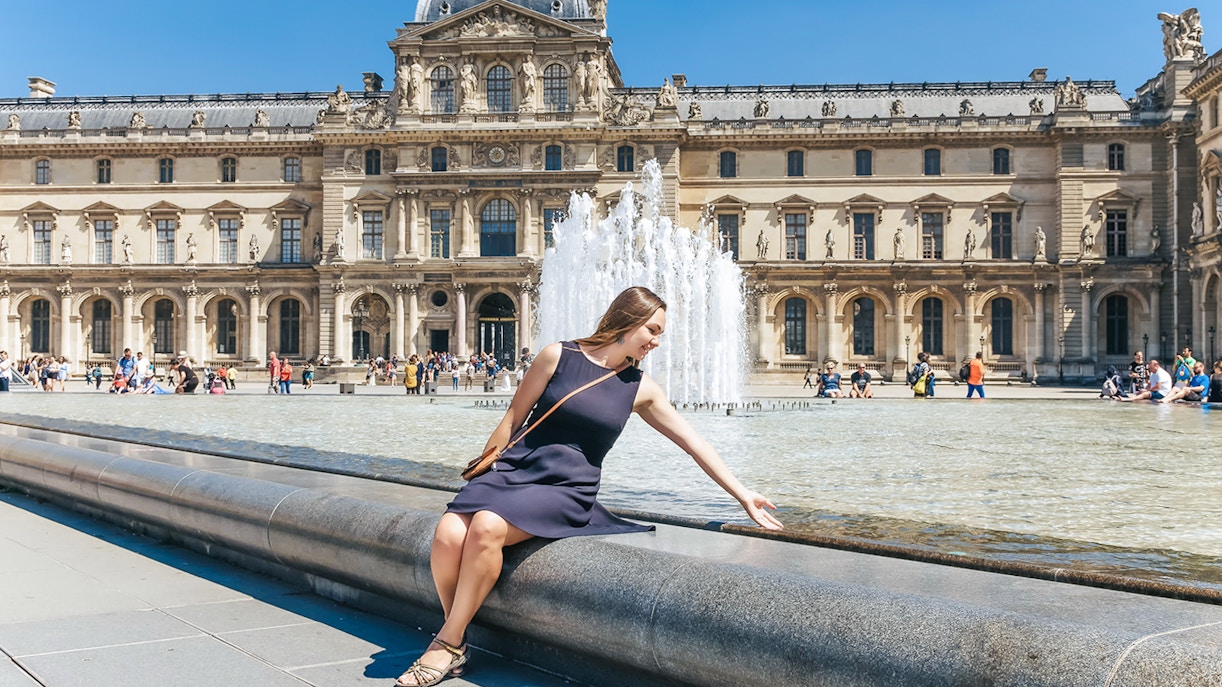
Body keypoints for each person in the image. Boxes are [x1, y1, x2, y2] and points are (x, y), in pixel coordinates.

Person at [393, 286, 782, 687]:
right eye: (652, 329)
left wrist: (742, 494)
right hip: (513, 470)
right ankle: (453, 634)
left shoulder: (641, 388)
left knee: (487, 527)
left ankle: (448, 643)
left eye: (660, 333)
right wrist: (488, 469)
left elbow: (694, 443)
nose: (656, 341)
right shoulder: (557, 355)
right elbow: (513, 418)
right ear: (627, 320)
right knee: (447, 534)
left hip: (566, 488)